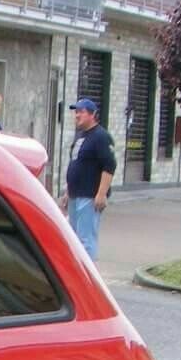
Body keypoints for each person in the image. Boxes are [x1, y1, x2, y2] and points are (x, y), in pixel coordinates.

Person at [60, 96, 116, 258]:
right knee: (72, 238)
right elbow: (76, 164)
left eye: (81, 112)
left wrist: (101, 193)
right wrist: (68, 192)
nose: (77, 115)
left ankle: (87, 277)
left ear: (92, 114)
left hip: (89, 196)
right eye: (76, 112)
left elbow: (109, 166)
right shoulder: (81, 135)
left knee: (86, 239)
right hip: (75, 194)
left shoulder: (101, 137)